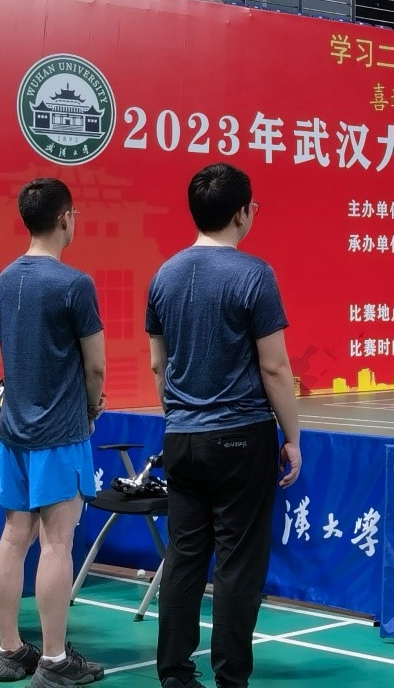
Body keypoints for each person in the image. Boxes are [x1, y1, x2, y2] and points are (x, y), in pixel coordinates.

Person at [147, 163, 302, 688]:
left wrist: (179, 418)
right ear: (241, 213)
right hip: (241, 436)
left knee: (185, 558)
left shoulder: (164, 275)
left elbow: (158, 365)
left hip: (181, 437)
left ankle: (174, 674)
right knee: (238, 564)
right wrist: (293, 438)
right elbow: (274, 367)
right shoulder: (254, 274)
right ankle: (231, 678)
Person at [0, 179, 106, 687]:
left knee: (14, 538)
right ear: (64, 218)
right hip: (60, 432)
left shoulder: (5, 277)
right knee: (57, 544)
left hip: (15, 431)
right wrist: (93, 407)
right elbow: (95, 366)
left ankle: (9, 650)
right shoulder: (74, 284)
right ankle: (55, 660)